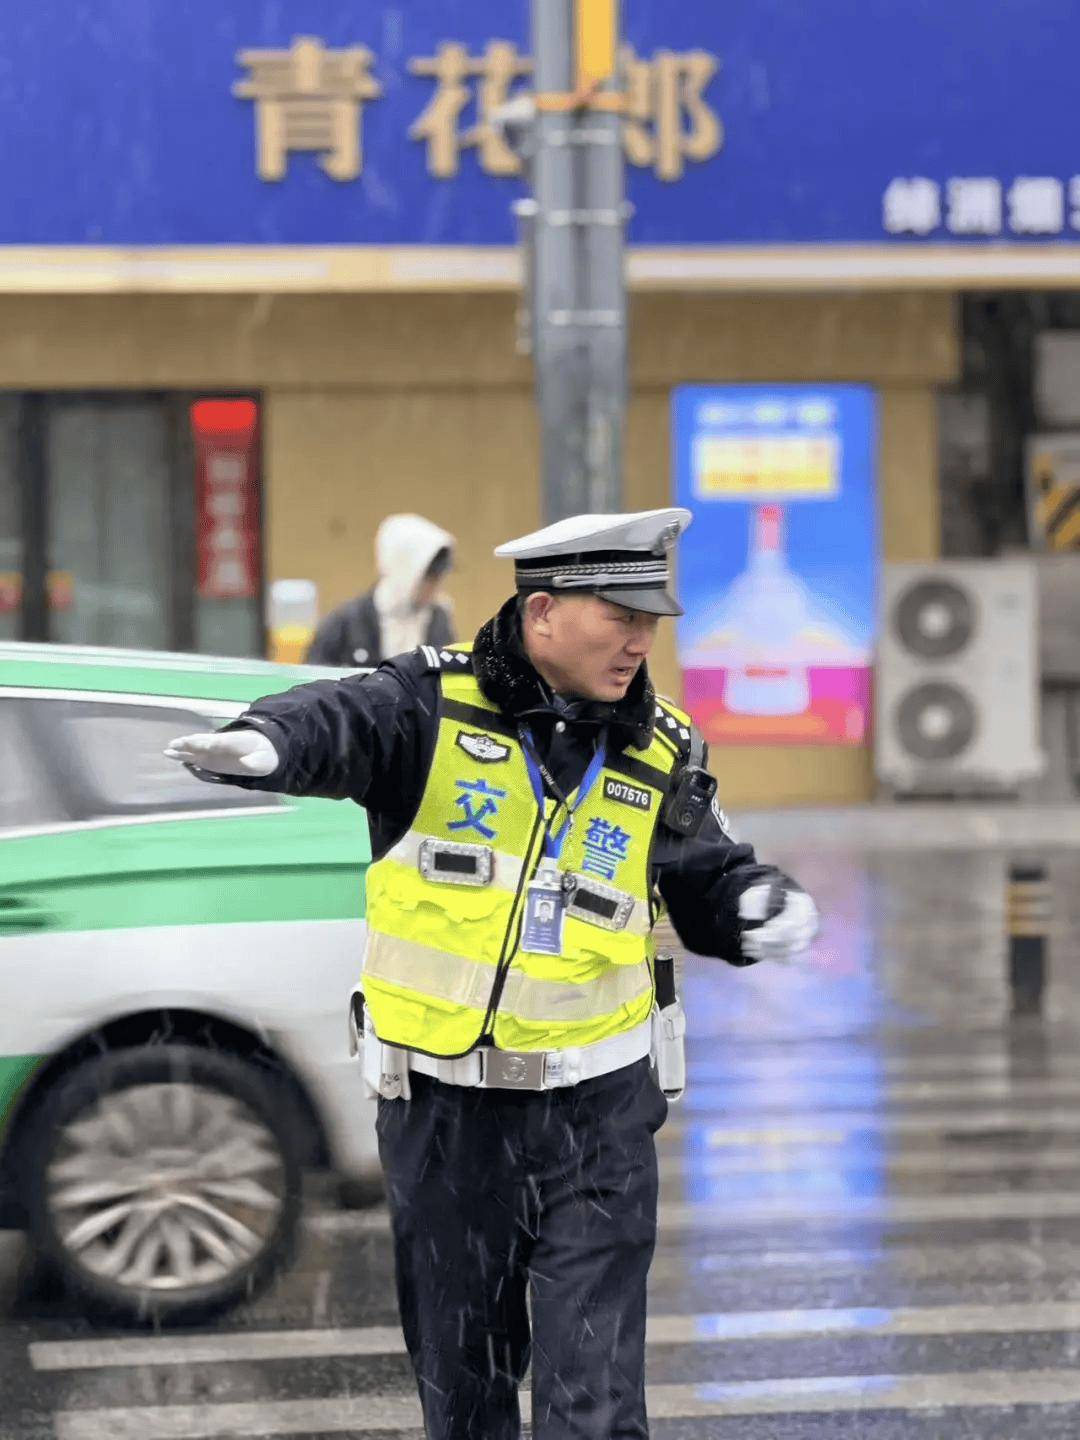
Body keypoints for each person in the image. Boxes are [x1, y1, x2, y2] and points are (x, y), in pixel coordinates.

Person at [164, 507, 818, 1440]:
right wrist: (266, 745)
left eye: (651, 621)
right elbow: (337, 719)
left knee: (592, 1405)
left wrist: (756, 905)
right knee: (465, 1398)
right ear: (543, 610)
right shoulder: (429, 705)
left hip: (598, 1118)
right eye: (619, 615)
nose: (640, 639)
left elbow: (702, 871)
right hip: (444, 1115)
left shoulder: (657, 748)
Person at [305, 512, 456, 667]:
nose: (435, 588)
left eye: (439, 578)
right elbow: (312, 678)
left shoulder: (438, 621)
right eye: (429, 578)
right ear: (404, 569)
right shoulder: (346, 622)